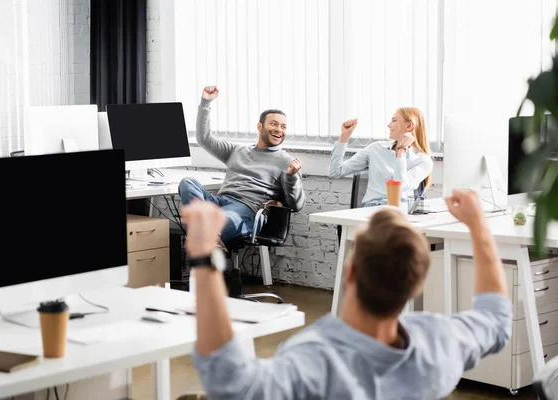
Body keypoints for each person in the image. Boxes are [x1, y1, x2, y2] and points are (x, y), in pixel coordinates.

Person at [182, 189, 512, 399]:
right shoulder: (440, 343)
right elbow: (495, 320)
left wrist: (202, 255)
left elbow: (233, 386)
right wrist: (477, 225)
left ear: (350, 271)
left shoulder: (316, 362)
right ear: (418, 282)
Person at [178, 86, 305, 252]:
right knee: (187, 182)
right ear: (260, 127)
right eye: (273, 124)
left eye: (283, 126)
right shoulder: (237, 151)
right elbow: (204, 139)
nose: (279, 130)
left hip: (245, 210)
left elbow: (297, 205)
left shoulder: (287, 162)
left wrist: (291, 177)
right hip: (219, 201)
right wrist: (206, 103)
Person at [329, 108, 434, 207]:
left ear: (409, 126)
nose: (389, 125)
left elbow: (400, 185)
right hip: (372, 210)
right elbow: (336, 172)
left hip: (400, 211)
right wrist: (344, 136)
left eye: (394, 121)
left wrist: (401, 151)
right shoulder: (376, 149)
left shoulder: (423, 161)